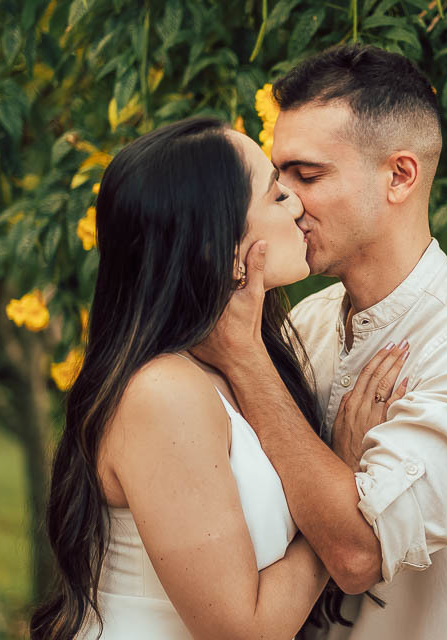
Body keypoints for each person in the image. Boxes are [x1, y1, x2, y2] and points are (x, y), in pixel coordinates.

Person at [191, 44, 447, 640]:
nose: (284, 199)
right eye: (278, 176)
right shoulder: (306, 322)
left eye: (307, 175)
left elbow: (360, 554)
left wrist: (243, 358)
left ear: (400, 176)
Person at [29, 117, 404, 640]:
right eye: (275, 195)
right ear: (223, 249)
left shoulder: (225, 369)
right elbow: (241, 632)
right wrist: (340, 475)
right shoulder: (165, 394)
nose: (297, 204)